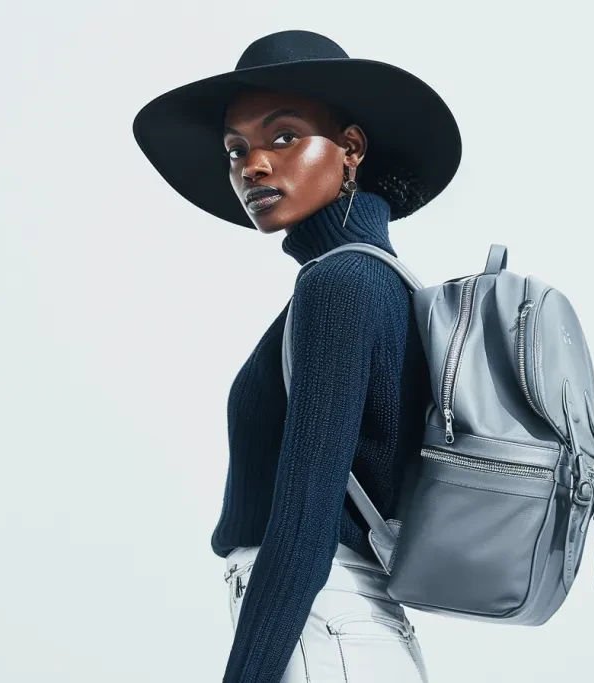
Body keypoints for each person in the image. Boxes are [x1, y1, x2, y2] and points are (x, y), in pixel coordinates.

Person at [133, 30, 461, 683]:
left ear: (351, 150)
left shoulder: (338, 287)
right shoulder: (379, 280)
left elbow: (305, 523)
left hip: (321, 635)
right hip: (347, 633)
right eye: (236, 148)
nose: (252, 165)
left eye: (282, 136)